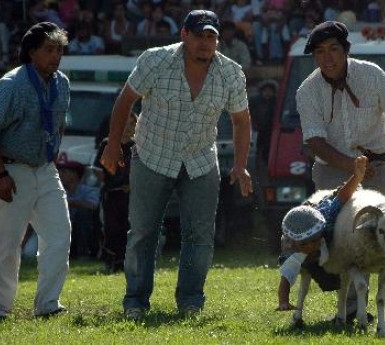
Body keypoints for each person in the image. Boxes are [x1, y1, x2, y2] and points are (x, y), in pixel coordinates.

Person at [99, 10, 253, 319]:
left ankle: (191, 302)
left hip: (200, 159)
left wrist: (240, 165)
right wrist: (114, 145)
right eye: (199, 36)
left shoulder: (231, 72)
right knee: (143, 232)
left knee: (199, 236)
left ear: (218, 41)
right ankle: (135, 303)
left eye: (211, 37)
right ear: (184, 35)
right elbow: (125, 101)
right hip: (152, 154)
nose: (205, 43)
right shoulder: (155, 60)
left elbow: (241, 120)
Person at [295, 20, 385, 323]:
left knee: (379, 234)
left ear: (346, 50)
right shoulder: (307, 90)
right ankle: (348, 309)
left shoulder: (373, 75)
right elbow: (314, 140)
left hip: (375, 168)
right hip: (331, 170)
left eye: (334, 49)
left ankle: (370, 303)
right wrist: (351, 167)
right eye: (320, 52)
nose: (328, 58)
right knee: (337, 238)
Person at [0, 22, 71, 319]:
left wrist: (51, 155)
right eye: (49, 50)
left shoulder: (62, 82)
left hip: (44, 168)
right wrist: (1, 174)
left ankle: (48, 305)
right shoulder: (12, 84)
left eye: (59, 50)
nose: (55, 56)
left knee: (59, 235)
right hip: (10, 168)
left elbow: (59, 124)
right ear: (31, 53)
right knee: (7, 244)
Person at [277, 156, 367, 311]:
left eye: (314, 240)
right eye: (304, 244)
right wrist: (283, 302)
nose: (311, 245)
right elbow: (285, 280)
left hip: (324, 209)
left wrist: (357, 177)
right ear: (296, 243)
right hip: (312, 259)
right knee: (324, 277)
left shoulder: (327, 218)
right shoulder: (294, 251)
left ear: (320, 231)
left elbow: (342, 197)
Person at [94, 112, 137, 272]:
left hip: (131, 196)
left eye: (132, 124)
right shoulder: (108, 144)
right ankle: (111, 260)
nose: (129, 127)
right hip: (111, 194)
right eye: (126, 123)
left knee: (129, 227)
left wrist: (133, 184)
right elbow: (98, 169)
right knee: (110, 228)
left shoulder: (137, 147)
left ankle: (126, 261)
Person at [58, 161, 100, 259]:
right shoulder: (59, 192)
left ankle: (84, 254)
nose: (60, 174)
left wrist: (72, 203)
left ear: (75, 174)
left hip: (85, 230)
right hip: (67, 229)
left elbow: (94, 205)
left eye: (64, 171)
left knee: (83, 213)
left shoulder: (88, 190)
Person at [249, 79, 277, 164]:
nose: (268, 93)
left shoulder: (275, 101)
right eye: (265, 91)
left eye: (270, 91)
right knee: (255, 149)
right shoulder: (254, 100)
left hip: (270, 130)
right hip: (256, 129)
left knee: (267, 149)